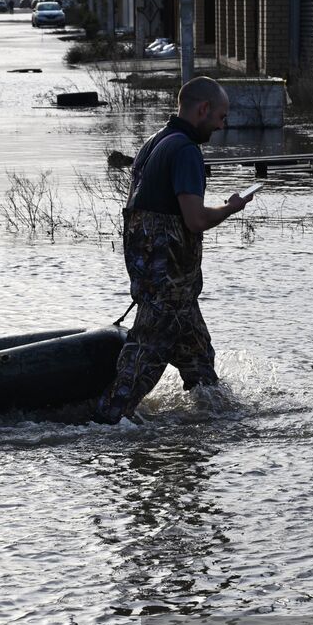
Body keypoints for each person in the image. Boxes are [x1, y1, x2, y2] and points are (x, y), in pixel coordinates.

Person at [93, 76, 253, 424]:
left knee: (198, 358)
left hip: (159, 277)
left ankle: (214, 424)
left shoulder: (155, 141)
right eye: (221, 116)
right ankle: (104, 426)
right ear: (203, 109)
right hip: (168, 282)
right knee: (143, 360)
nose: (222, 125)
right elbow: (194, 220)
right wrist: (231, 207)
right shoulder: (186, 151)